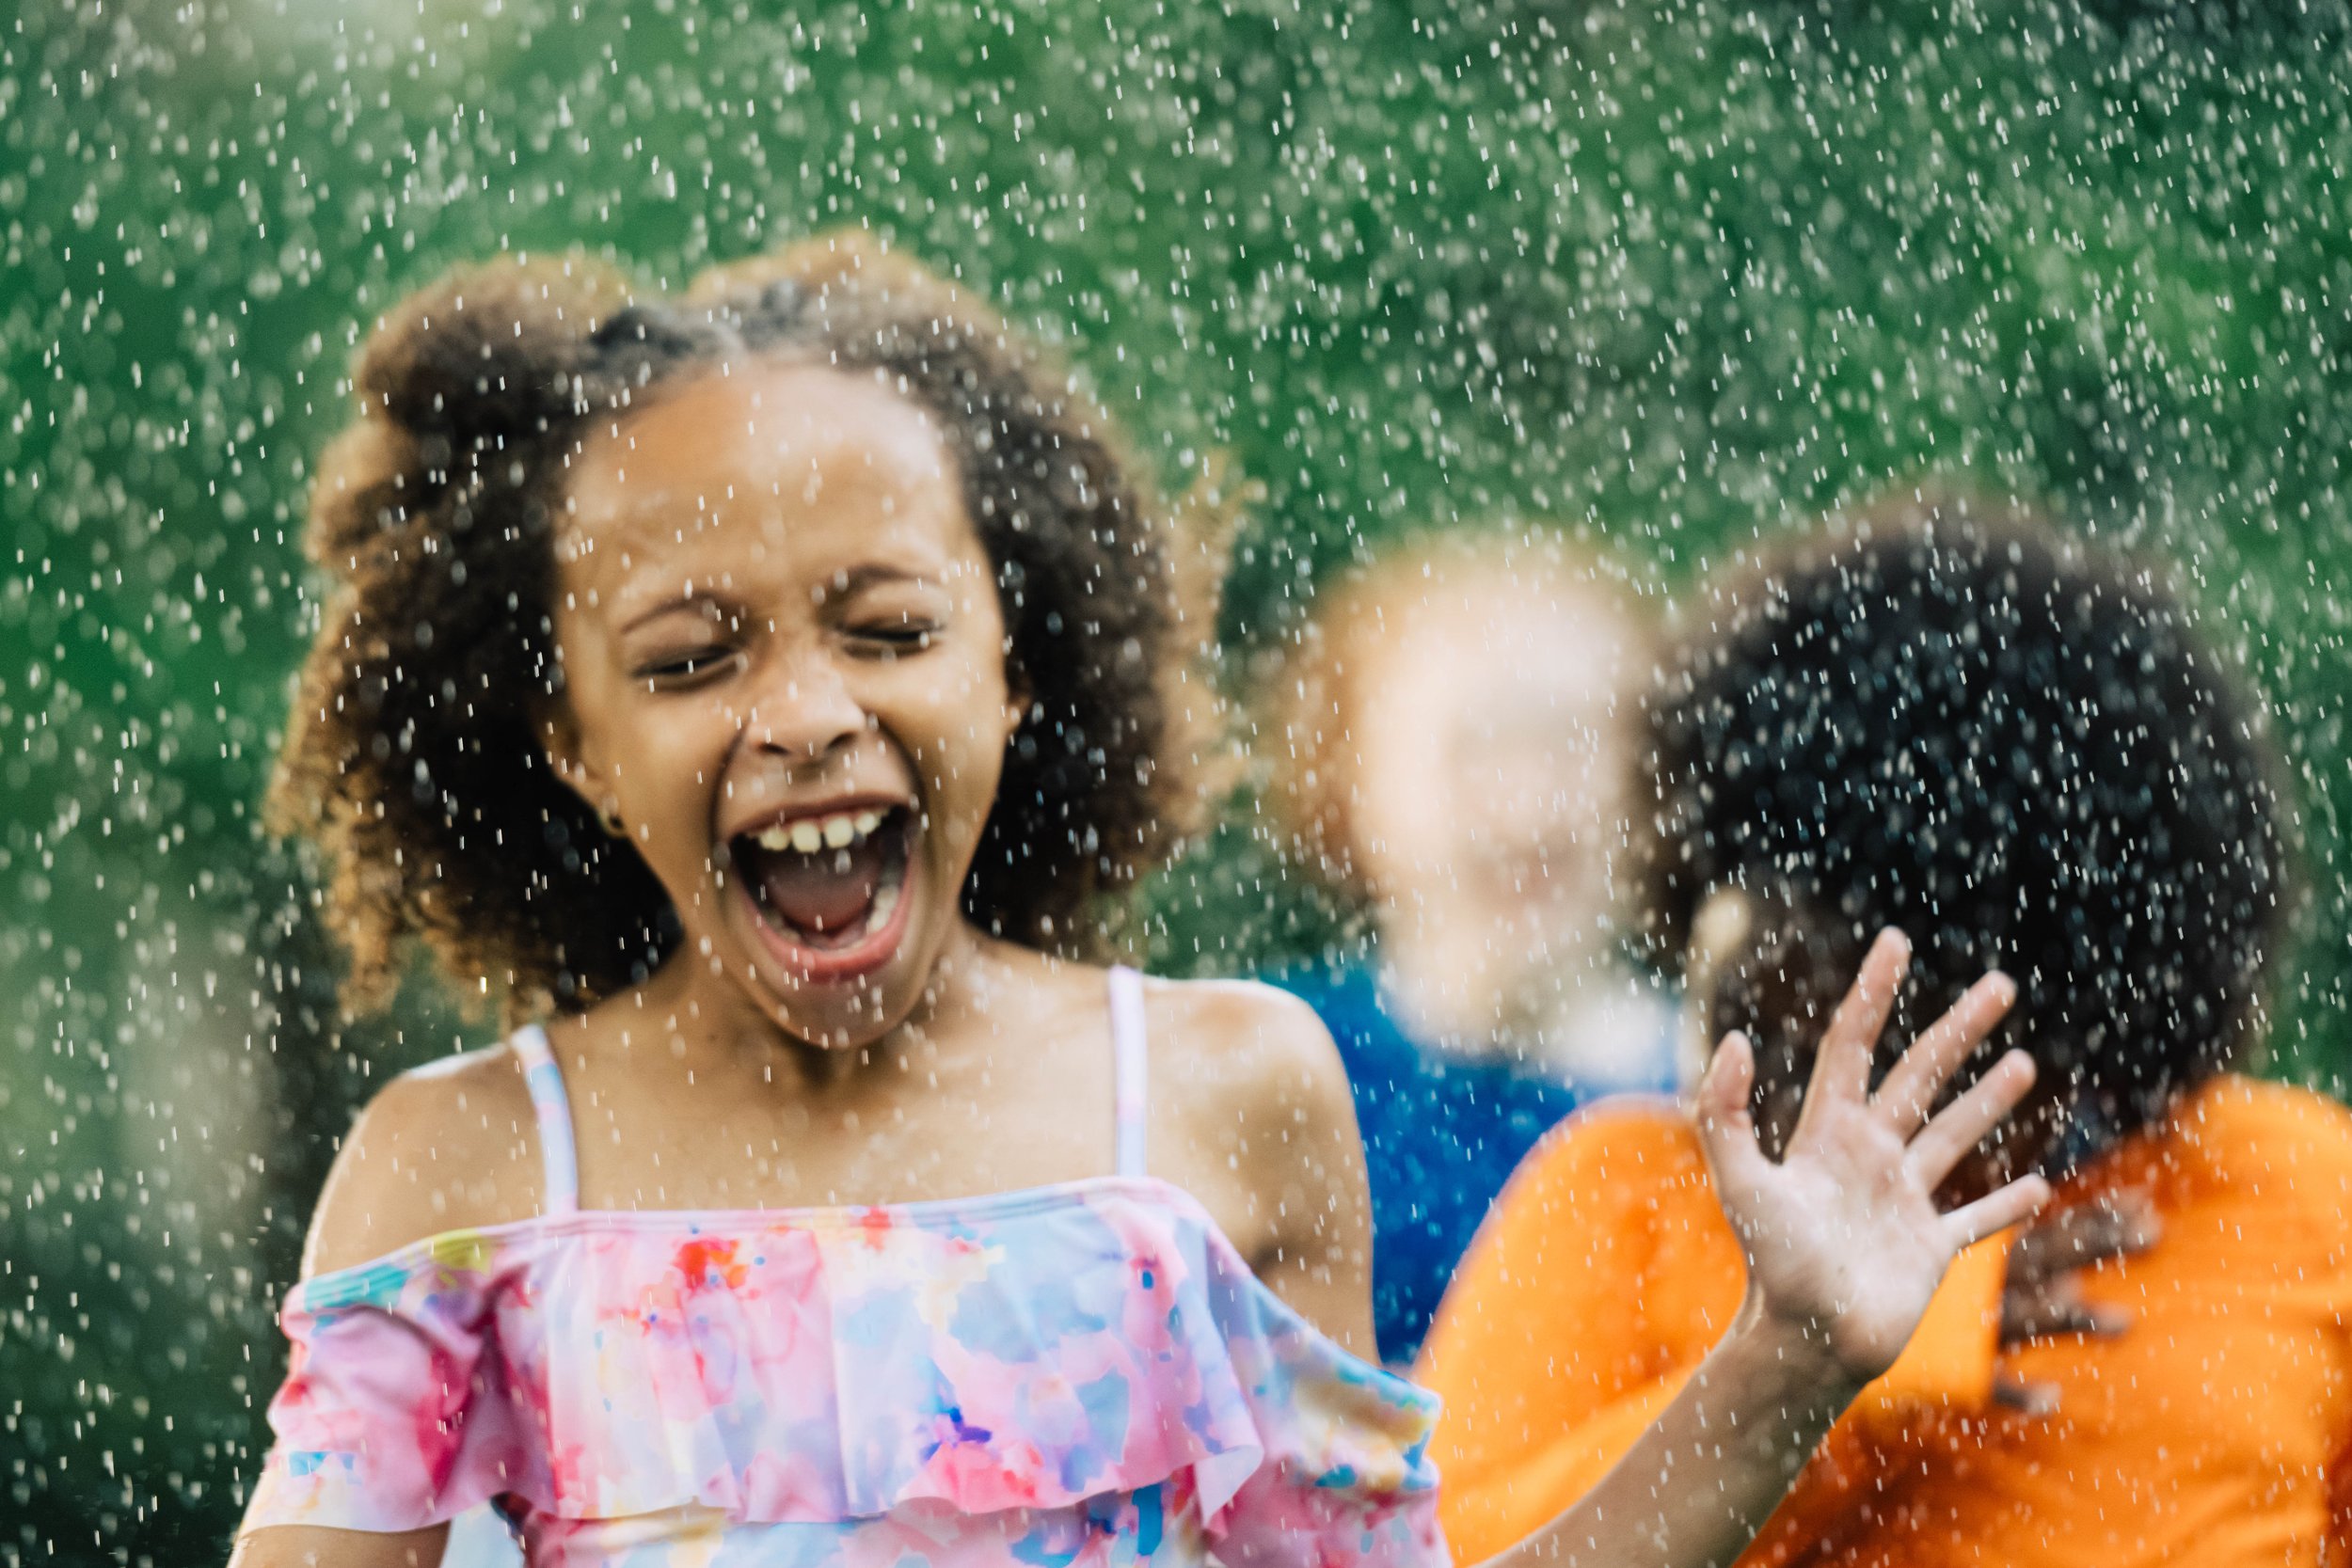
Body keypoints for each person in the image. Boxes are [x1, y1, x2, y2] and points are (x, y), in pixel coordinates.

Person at [226, 239, 2049, 1568]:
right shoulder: (456, 1173)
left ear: (1016, 664)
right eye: (694, 655)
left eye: (887, 629)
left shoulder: (1224, 1098)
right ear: (569, 740)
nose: (802, 711)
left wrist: (1786, 1352)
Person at [1416, 494, 2352, 1566]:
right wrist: (1835, 1372)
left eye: (1856, 1030)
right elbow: (1433, 1548)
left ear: (2064, 1028)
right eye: (1751, 1018)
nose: (1769, 1091)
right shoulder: (1621, 1193)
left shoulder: (2292, 1189)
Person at [1263, 536, 1680, 1363]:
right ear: (1349, 783)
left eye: (1574, 745)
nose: (1527, 807)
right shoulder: (1272, 1062)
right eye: (1474, 747)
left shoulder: (1725, 1092)